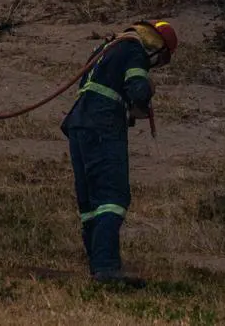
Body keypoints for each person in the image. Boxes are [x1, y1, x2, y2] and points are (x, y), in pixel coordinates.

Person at [60, 19, 178, 285]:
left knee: (90, 202)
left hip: (79, 124)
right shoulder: (134, 50)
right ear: (157, 47)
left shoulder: (106, 47)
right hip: (103, 126)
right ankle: (107, 268)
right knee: (113, 197)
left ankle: (96, 261)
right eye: (160, 61)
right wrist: (147, 89)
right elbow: (137, 87)